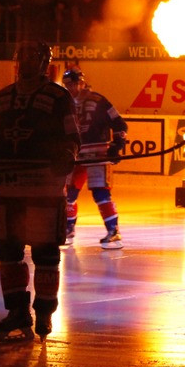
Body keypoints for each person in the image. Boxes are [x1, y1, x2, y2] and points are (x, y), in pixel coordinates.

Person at [0, 41, 80, 342]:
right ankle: (17, 311)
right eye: (23, 57)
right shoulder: (3, 97)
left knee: (45, 254)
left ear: (45, 62)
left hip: (44, 188)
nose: (27, 63)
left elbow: (73, 137)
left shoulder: (59, 98)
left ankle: (44, 312)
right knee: (8, 252)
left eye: (34, 58)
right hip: (9, 188)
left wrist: (67, 154)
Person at [63, 67, 128, 249]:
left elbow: (119, 123)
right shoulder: (64, 103)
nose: (71, 88)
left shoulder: (98, 100)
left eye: (74, 84)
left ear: (82, 82)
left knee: (100, 194)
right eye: (68, 85)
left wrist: (117, 145)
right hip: (75, 155)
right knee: (68, 194)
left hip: (97, 155)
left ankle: (113, 231)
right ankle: (68, 229)